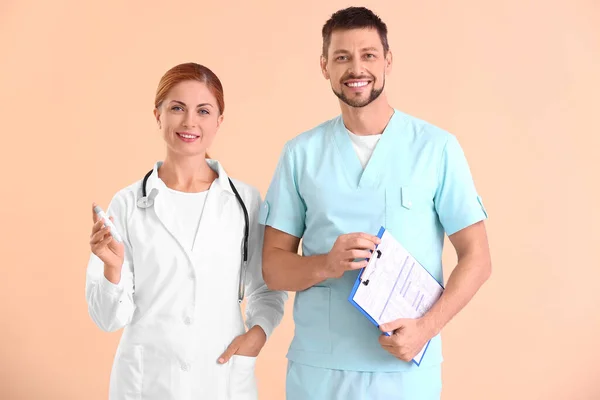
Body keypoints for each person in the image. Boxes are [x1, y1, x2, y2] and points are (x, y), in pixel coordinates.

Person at [260, 6, 492, 400]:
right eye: (342, 57)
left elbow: (478, 257)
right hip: (320, 371)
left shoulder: (436, 148)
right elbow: (273, 268)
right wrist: (325, 265)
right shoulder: (300, 153)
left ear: (387, 60)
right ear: (324, 67)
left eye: (368, 55)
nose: (356, 68)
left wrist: (426, 329)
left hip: (404, 368)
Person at [85, 62, 287, 400]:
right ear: (158, 115)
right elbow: (108, 320)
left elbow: (267, 288)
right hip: (146, 382)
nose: (190, 121)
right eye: (177, 108)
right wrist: (112, 268)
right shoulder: (127, 204)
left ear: (219, 121)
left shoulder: (245, 201)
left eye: (203, 111)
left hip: (221, 377)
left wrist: (258, 334)